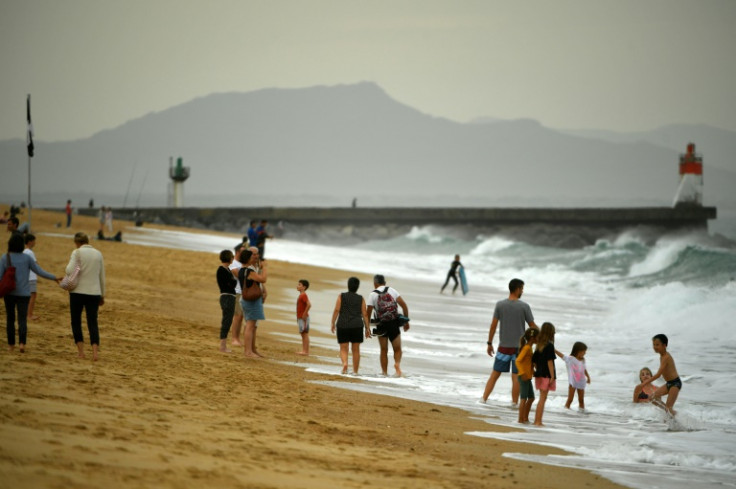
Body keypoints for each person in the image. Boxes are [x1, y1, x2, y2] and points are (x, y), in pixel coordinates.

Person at [482, 278, 539, 404]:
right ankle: (514, 404)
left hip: (504, 347)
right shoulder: (524, 306)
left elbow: (493, 325)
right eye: (522, 289)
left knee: (495, 375)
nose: (522, 291)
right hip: (519, 348)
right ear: (517, 289)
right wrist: (543, 337)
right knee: (516, 378)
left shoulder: (500, 305)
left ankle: (483, 399)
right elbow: (532, 326)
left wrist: (489, 343)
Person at [1, 234, 60, 352]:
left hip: (10, 293)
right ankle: (22, 344)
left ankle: (11, 345)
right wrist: (54, 277)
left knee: (10, 319)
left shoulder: (5, 257)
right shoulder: (27, 258)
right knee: (22, 319)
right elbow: (39, 271)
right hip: (24, 294)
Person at [65, 232, 105, 360]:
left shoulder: (77, 253)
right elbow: (101, 276)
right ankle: (95, 353)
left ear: (77, 242)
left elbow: (69, 270)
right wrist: (102, 295)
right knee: (92, 322)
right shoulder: (98, 254)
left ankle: (81, 352)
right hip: (94, 292)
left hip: (77, 291)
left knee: (76, 321)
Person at [366, 274, 410, 377]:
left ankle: (384, 373)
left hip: (381, 324)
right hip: (393, 323)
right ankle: (397, 365)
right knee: (397, 348)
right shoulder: (392, 291)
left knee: (384, 350)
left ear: (375, 283)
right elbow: (404, 306)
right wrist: (406, 322)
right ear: (384, 283)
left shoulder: (372, 294)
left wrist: (367, 328)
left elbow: (368, 312)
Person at [330, 277, 372, 374]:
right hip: (357, 325)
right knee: (356, 350)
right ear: (357, 287)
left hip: (343, 324)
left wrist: (333, 322)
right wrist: (367, 328)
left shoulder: (341, 296)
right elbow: (365, 314)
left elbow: (337, 310)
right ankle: (355, 371)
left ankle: (345, 364)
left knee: (344, 348)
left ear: (348, 285)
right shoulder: (360, 298)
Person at [638, 334, 681, 416]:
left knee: (669, 408)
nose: (654, 347)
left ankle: (677, 418)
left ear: (664, 345)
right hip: (669, 383)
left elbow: (658, 375)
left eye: (657, 345)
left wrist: (643, 383)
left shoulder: (666, 357)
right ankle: (669, 413)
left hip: (675, 384)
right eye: (654, 345)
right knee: (652, 398)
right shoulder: (662, 356)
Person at [238, 249, 267, 358]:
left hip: (247, 300)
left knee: (252, 326)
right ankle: (248, 351)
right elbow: (263, 279)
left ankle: (252, 349)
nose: (254, 257)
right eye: (252, 256)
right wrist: (265, 268)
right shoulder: (249, 271)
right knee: (250, 326)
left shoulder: (243, 269)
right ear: (248, 258)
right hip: (251, 301)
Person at [556, 341, 591, 411]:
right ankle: (565, 412)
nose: (585, 353)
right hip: (573, 383)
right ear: (578, 351)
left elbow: (584, 369)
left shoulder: (583, 360)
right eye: (584, 351)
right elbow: (562, 356)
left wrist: (588, 377)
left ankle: (581, 414)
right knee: (570, 399)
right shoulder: (570, 359)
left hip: (581, 382)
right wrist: (553, 349)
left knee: (581, 400)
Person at [515, 328, 538, 424]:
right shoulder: (526, 348)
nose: (539, 339)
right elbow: (518, 361)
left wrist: (533, 372)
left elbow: (528, 363)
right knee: (523, 398)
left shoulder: (530, 347)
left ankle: (525, 418)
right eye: (538, 337)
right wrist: (522, 373)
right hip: (523, 376)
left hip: (528, 377)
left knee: (531, 398)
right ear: (532, 338)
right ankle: (520, 419)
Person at [216, 249, 237, 353]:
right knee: (226, 321)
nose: (233, 259)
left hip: (229, 296)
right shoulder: (222, 270)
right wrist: (233, 281)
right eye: (232, 257)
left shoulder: (226, 269)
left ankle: (223, 345)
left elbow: (232, 283)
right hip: (227, 297)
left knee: (228, 321)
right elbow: (231, 284)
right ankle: (222, 346)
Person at [229, 242, 246, 346]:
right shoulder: (233, 263)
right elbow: (239, 275)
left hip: (243, 292)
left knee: (241, 316)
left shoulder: (242, 264)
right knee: (237, 316)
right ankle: (234, 338)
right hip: (236, 292)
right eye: (243, 252)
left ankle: (237, 338)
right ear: (238, 252)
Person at [23, 234, 41, 321]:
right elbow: (36, 265)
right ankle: (29, 315)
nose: (35, 243)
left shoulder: (23, 251)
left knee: (27, 296)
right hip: (31, 277)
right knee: (33, 295)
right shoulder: (30, 252)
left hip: (25, 276)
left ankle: (26, 313)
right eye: (34, 241)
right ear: (30, 242)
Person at [295, 279, 311, 356]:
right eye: (298, 284)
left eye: (299, 285)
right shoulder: (301, 295)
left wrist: (304, 314)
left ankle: (305, 351)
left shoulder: (303, 295)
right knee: (303, 334)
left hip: (303, 317)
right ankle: (304, 350)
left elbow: (309, 304)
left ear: (304, 287)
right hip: (300, 317)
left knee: (304, 334)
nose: (297, 286)